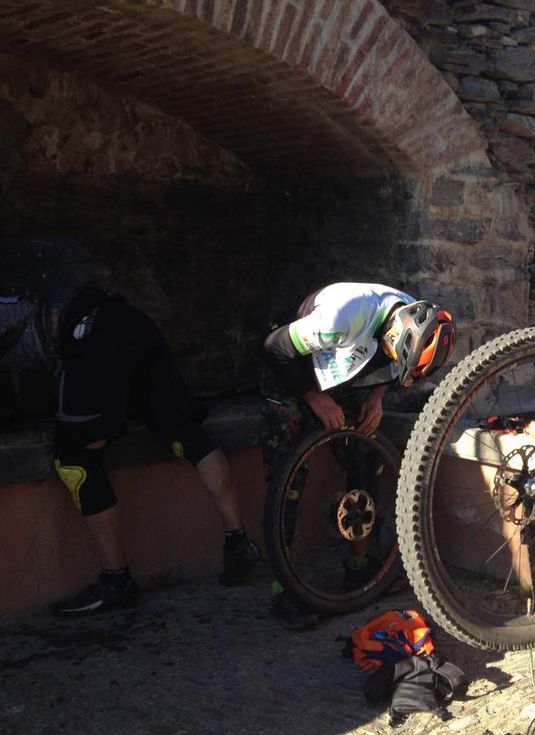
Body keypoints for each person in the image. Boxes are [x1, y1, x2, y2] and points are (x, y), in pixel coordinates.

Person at [0, 237, 258, 616]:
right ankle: (239, 543)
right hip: (130, 320)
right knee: (185, 432)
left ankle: (116, 581)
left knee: (75, 456)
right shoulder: (38, 269)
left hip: (88, 334)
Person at [260, 282, 456, 630]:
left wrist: (377, 397)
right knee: (287, 475)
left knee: (366, 455)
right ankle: (284, 590)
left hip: (344, 370)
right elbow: (274, 349)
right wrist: (314, 398)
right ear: (395, 334)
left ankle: (358, 567)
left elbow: (390, 361)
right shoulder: (343, 316)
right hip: (291, 367)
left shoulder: (418, 320)